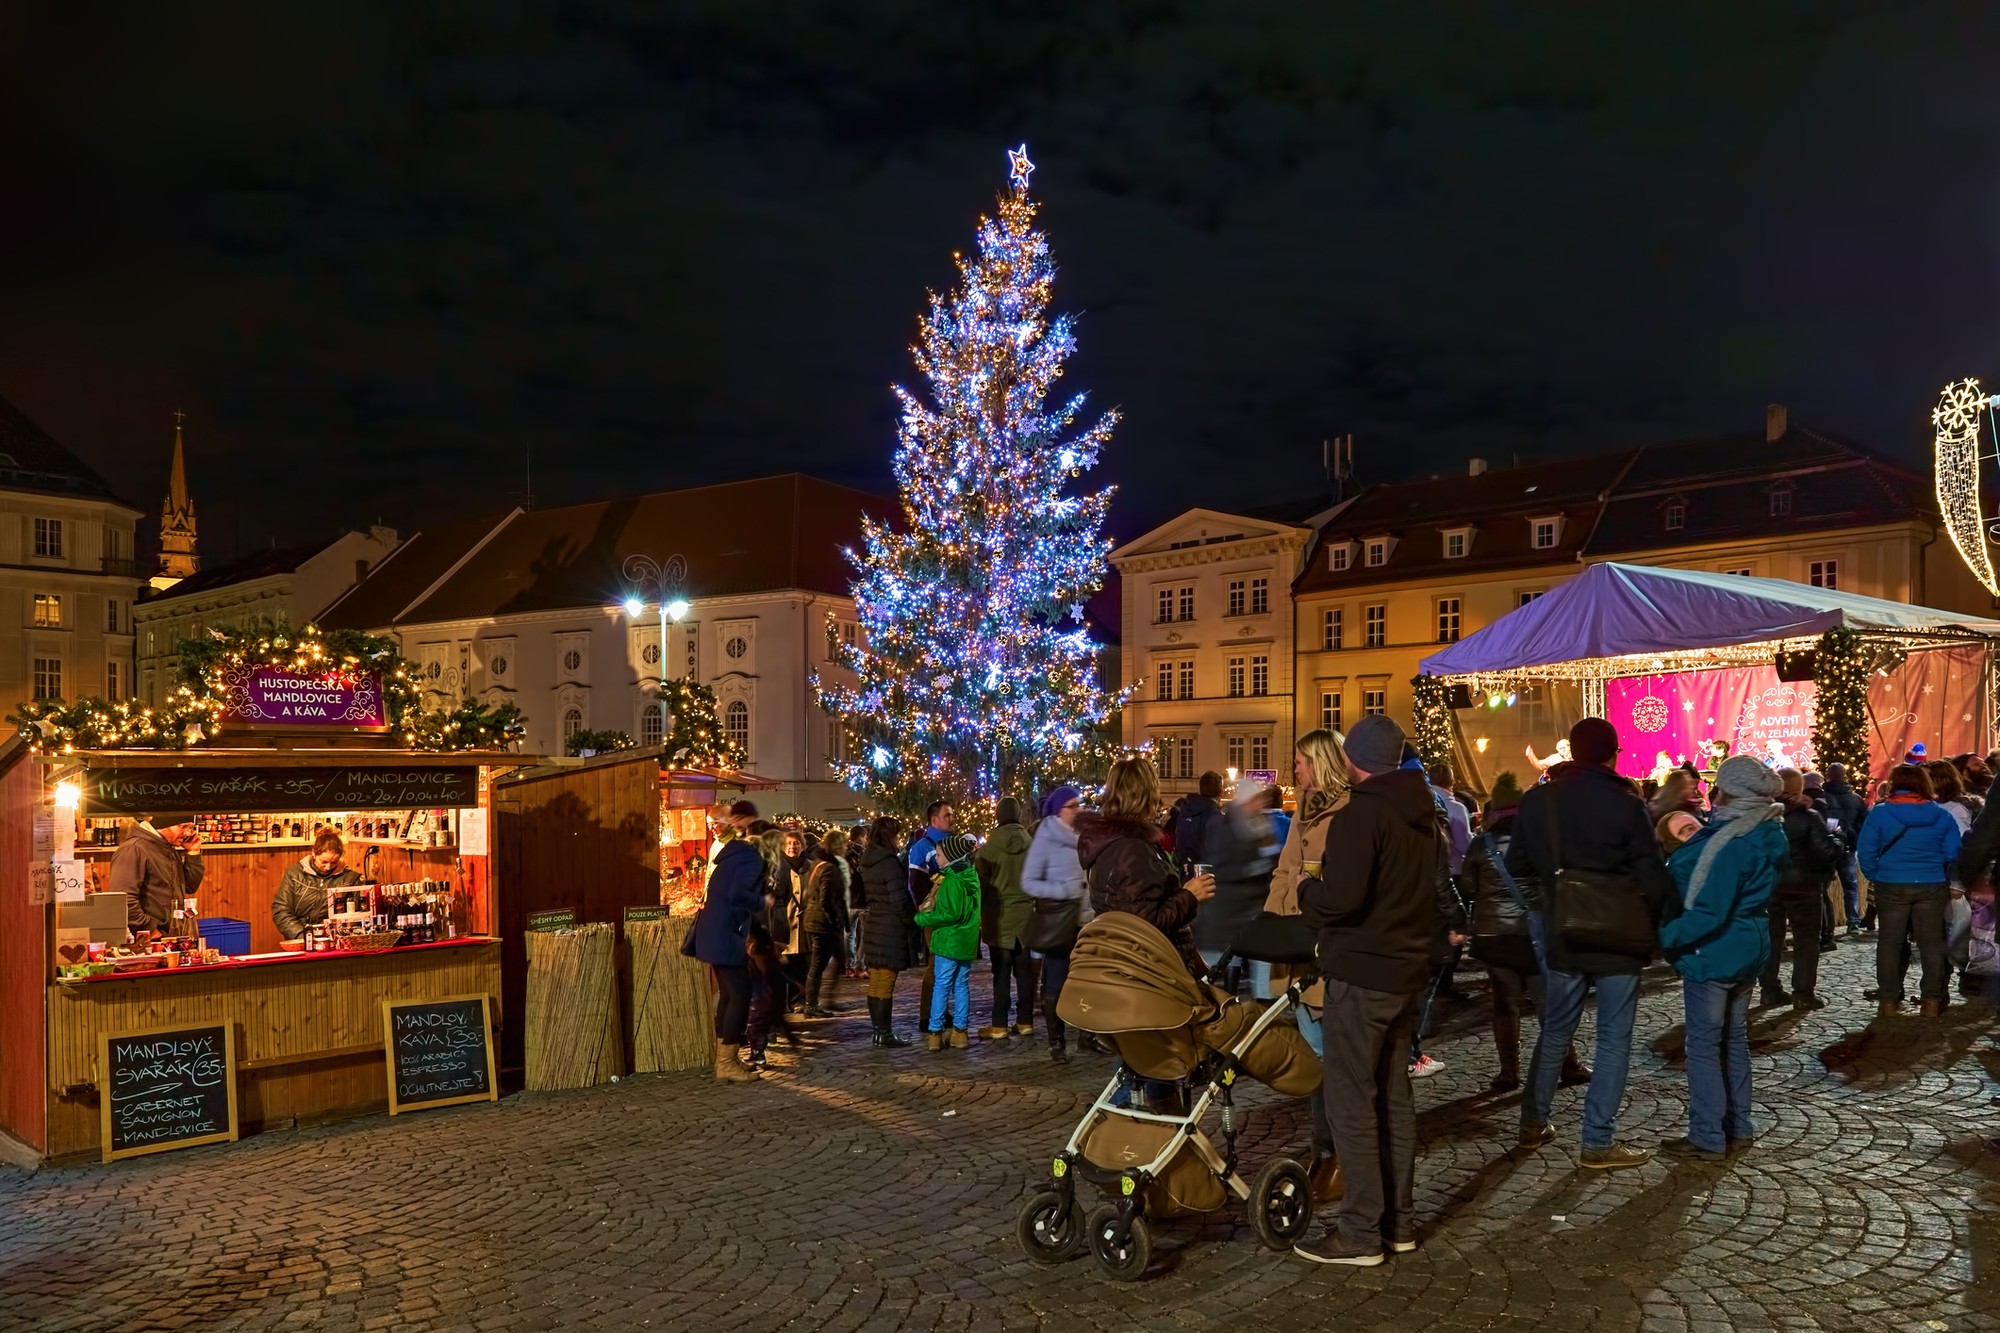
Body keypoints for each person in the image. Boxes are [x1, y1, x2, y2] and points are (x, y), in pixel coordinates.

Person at [1293, 715, 1441, 1267]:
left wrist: (1308, 889)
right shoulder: (1422, 811)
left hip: (1361, 974)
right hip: (1405, 973)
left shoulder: (1363, 813)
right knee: (1394, 1100)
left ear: (1355, 759)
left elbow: (1342, 900)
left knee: (1352, 1102)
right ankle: (1397, 1223)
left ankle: (1358, 1232)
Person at [1507, 717, 1672, 1170]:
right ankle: (1597, 1142)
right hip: (1619, 933)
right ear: (1612, 754)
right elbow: (1652, 875)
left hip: (1564, 925)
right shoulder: (1626, 803)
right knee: (1613, 1038)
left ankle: (1532, 1122)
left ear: (1571, 754)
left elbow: (1517, 862)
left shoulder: (1539, 800)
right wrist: (1656, 925)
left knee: (1556, 1028)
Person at [1657, 756, 1786, 1160]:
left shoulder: (1732, 841)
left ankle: (1708, 1134)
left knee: (1705, 1045)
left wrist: (1666, 938)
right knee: (1733, 1040)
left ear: (1730, 790)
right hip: (1750, 943)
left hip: (1717, 950)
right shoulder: (1766, 829)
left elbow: (1710, 911)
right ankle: (1739, 1124)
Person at [1268, 728, 1356, 1203]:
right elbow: (1286, 868)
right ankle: (1326, 1150)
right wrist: (1272, 920)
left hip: (1324, 946)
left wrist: (1300, 890)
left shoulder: (1348, 813)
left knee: (1331, 1060)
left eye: (1301, 761)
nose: (1294, 769)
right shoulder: (1303, 808)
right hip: (1296, 943)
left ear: (1322, 763)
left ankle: (1339, 1152)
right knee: (1319, 1056)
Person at [1464, 772, 1585, 1095]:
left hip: (1494, 935)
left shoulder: (1481, 844)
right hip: (1535, 934)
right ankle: (1567, 1064)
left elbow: (1467, 887)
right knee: (1549, 1002)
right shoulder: (1539, 838)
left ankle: (1508, 1072)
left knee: (1505, 1004)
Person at [1078, 756, 1216, 982]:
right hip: (1148, 972)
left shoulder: (1108, 841)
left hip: (1122, 963)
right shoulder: (1132, 848)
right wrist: (1190, 895)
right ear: (1146, 794)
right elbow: (1146, 925)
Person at [1859, 763, 1962, 1017]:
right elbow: (1953, 852)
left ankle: (1889, 1001)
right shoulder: (1941, 815)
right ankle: (1930, 1002)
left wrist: (1876, 875)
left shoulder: (1880, 813)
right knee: (1931, 945)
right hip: (1930, 884)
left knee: (1890, 943)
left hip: (1891, 884)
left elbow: (1867, 851)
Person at [690, 801, 767, 1082]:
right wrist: (763, 901)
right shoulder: (749, 858)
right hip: (727, 934)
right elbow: (741, 896)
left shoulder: (728, 855)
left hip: (715, 932)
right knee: (739, 994)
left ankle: (725, 1059)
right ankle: (727, 1062)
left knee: (729, 993)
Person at [1761, 770, 1843, 1010]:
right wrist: (1838, 838)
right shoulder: (1808, 817)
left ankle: (1769, 989)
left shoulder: (1762, 816)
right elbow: (1828, 851)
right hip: (1804, 886)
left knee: (1771, 939)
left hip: (1771, 886)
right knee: (1806, 940)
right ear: (1799, 789)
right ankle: (1803, 992)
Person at [1022, 785, 1090, 1061]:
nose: (1078, 810)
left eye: (1079, 804)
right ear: (1058, 810)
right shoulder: (1046, 838)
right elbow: (1028, 882)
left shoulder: (1083, 836)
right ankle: (1056, 1041)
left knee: (1088, 980)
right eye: (1072, 806)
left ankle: (1088, 1035)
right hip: (1059, 922)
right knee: (1057, 983)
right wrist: (1064, 891)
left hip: (1085, 920)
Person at [1193, 778, 1281, 985]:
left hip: (1252, 917)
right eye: (1256, 800)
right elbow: (1224, 870)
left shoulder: (1261, 826)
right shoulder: (1223, 827)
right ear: (1244, 802)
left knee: (1261, 981)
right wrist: (1258, 867)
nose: (1260, 805)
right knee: (1217, 983)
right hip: (1225, 918)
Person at [915, 833, 982, 1050]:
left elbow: (949, 914)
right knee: (961, 985)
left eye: (940, 854)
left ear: (951, 856)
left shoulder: (952, 880)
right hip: (965, 940)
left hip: (949, 940)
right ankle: (960, 1032)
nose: (937, 857)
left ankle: (935, 1033)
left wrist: (923, 917)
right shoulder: (970, 875)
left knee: (942, 985)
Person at [977, 798, 1036, 1040]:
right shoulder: (1032, 845)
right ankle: (1025, 1021)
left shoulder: (988, 849)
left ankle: (999, 1024)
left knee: (1000, 974)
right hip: (1026, 919)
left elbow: (981, 885)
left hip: (999, 920)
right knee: (1025, 974)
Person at [858, 815, 916, 1047]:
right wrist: (910, 920)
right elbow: (898, 898)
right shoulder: (889, 862)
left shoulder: (869, 859)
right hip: (889, 926)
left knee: (876, 981)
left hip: (874, 923)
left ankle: (878, 1031)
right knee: (885, 982)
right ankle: (884, 1033)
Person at [110, 814, 205, 937]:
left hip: (170, 936)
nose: (188, 833)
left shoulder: (167, 847)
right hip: (148, 940)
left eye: (190, 828)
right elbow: (122, 899)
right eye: (183, 827)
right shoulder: (134, 849)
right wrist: (150, 930)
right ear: (164, 825)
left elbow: (189, 886)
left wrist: (193, 853)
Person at [271, 829, 365, 941]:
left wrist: (342, 936)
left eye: (334, 862)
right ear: (314, 853)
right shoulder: (294, 874)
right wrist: (303, 936)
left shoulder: (351, 879)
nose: (328, 867)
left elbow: (357, 915)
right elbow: (281, 910)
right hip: (299, 939)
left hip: (335, 941)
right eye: (324, 862)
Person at [799, 828, 851, 1019]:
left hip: (819, 919)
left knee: (837, 958)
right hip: (822, 922)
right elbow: (826, 898)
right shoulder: (828, 867)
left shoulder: (820, 863)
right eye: (844, 844)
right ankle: (811, 1004)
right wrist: (836, 919)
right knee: (818, 964)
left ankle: (823, 999)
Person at [1816, 763, 1868, 939]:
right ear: (1845, 776)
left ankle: (1823, 925)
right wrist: (1853, 836)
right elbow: (1864, 822)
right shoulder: (1856, 798)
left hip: (1828, 846)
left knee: (1823, 887)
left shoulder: (1822, 797)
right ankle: (1853, 921)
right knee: (1851, 885)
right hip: (1848, 847)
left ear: (1827, 776)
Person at [1172, 771, 1225, 876]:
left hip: (1184, 873)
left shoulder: (1184, 812)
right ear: (1221, 793)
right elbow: (1216, 853)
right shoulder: (1216, 817)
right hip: (1205, 876)